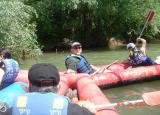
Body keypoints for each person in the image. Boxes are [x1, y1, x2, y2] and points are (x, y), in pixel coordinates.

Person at [0, 63, 97, 115]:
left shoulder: (11, 110)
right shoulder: (73, 110)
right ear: (58, 87)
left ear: (28, 87)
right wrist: (90, 110)